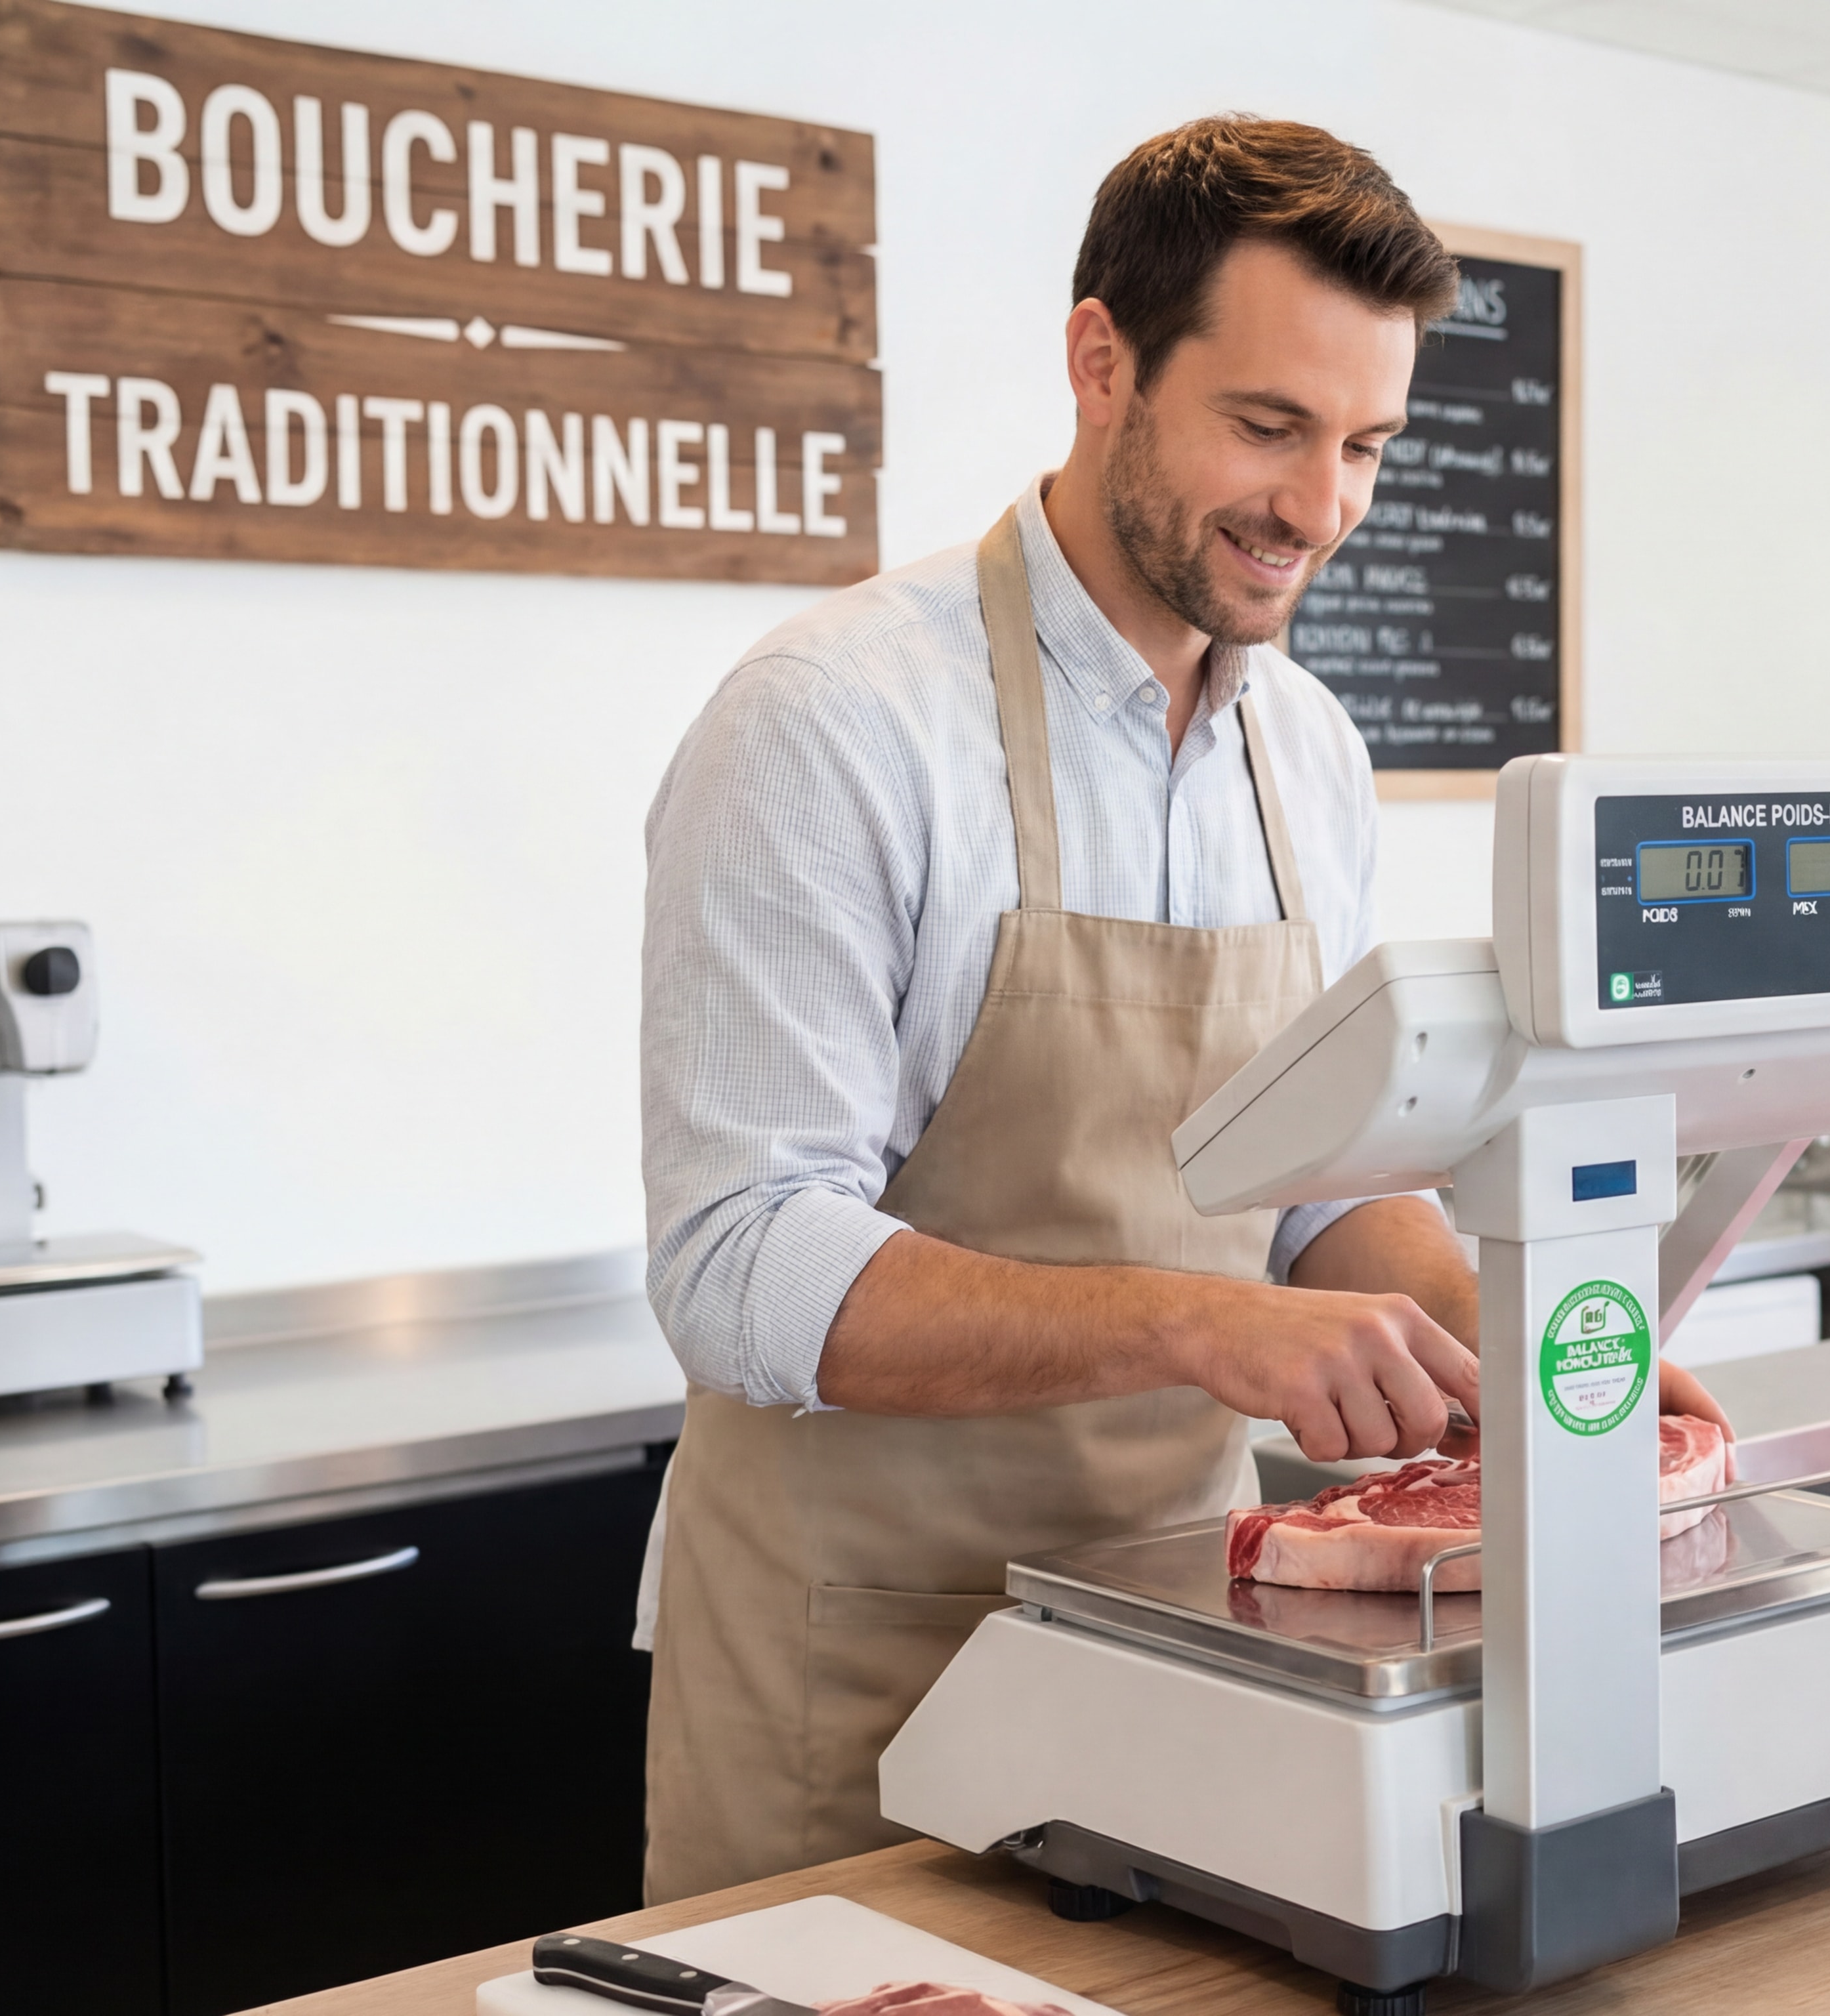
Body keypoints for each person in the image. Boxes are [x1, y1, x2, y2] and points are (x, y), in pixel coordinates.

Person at [634, 116, 1720, 1901]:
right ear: (1101, 363)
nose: (1323, 508)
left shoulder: (1307, 749)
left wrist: (1511, 1344)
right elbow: (736, 1264)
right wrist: (1196, 1331)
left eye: (1367, 444)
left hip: (1193, 1646)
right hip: (863, 1663)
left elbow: (1308, 1193)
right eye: (1269, 427)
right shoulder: (833, 720)